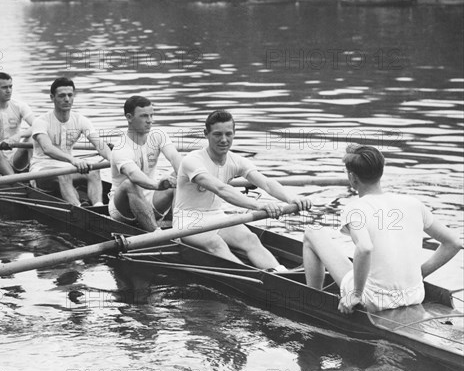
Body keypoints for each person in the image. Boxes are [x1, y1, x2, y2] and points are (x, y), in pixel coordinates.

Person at [303, 144, 461, 314]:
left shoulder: (355, 208)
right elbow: (454, 243)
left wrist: (356, 294)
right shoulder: (413, 203)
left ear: (352, 177)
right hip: (415, 295)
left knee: (312, 232)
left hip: (374, 301)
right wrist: (420, 273)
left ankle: (312, 302)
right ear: (381, 172)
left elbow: (364, 248)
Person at [173, 110, 312, 271]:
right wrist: (258, 206)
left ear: (234, 133)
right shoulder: (192, 160)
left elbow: (266, 183)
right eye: (217, 134)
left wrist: (292, 198)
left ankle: (283, 274)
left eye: (228, 134)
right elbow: (221, 189)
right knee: (215, 243)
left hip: (216, 216)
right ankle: (254, 279)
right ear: (206, 134)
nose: (224, 140)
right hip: (187, 220)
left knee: (250, 238)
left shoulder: (235, 160)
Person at [30, 77, 110, 206]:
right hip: (41, 170)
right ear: (52, 97)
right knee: (64, 174)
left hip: (67, 168)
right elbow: (47, 149)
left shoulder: (80, 120)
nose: (67, 99)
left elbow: (100, 145)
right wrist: (73, 160)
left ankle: (98, 207)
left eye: (70, 95)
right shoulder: (41, 121)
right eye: (62, 96)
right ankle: (79, 209)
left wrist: (115, 159)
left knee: (94, 171)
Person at [109, 95, 182, 232]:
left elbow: (175, 158)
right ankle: (157, 235)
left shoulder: (158, 135)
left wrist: (187, 176)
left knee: (178, 175)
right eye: (144, 116)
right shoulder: (121, 148)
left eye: (151, 115)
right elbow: (133, 174)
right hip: (123, 210)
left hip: (152, 201)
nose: (150, 121)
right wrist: (156, 185)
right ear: (129, 117)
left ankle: (180, 229)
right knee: (130, 184)